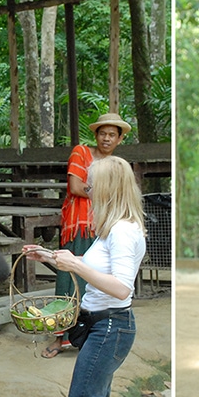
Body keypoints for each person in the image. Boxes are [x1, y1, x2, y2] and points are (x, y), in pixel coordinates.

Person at [23, 155, 146, 397]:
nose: (87, 193)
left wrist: (76, 268)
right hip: (101, 326)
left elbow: (121, 288)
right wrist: (52, 257)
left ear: (107, 190)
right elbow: (96, 269)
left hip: (111, 326)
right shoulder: (111, 229)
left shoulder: (123, 232)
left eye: (91, 188)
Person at [42, 112, 131, 359]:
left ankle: (85, 338)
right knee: (68, 281)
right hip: (79, 224)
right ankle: (60, 337)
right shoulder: (81, 152)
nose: (106, 138)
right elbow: (75, 186)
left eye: (112, 134)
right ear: (96, 135)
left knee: (95, 283)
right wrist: (103, 191)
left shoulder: (115, 164)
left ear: (119, 139)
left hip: (103, 227)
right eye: (103, 133)